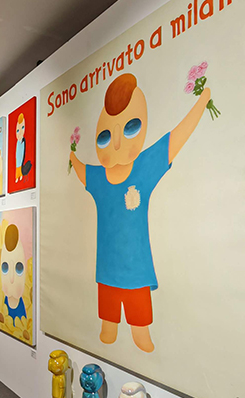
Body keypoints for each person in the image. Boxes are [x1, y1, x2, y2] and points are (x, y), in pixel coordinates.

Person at [68, 73, 212, 353]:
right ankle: (111, 328)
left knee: (140, 332)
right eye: (105, 137)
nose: (117, 145)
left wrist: (202, 101)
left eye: (130, 128)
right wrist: (71, 155)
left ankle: (138, 333)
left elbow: (176, 138)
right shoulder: (98, 179)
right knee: (107, 330)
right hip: (106, 269)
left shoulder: (144, 166)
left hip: (137, 269)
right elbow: (81, 168)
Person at [15, 112, 26, 182]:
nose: (20, 132)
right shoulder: (18, 142)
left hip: (21, 157)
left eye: (23, 127)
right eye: (17, 130)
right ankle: (17, 176)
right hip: (18, 157)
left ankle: (20, 175)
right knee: (17, 164)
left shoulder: (23, 141)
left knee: (20, 163)